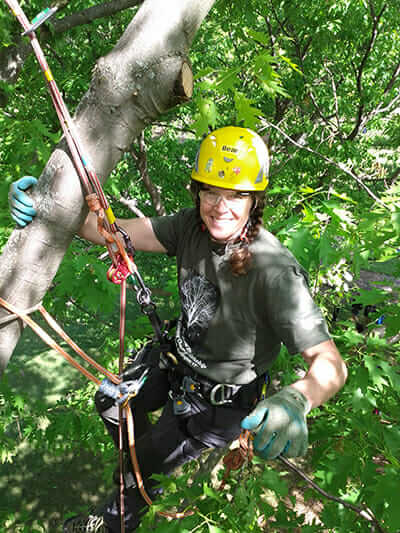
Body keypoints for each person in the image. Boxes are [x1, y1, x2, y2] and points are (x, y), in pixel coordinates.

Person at [9, 126, 347, 533]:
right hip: (175, 363)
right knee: (109, 402)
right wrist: (50, 204)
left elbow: (330, 364)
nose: (221, 206)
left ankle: (118, 515)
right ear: (198, 192)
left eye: (237, 195)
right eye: (211, 192)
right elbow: (109, 232)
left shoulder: (275, 272)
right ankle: (141, 457)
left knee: (145, 469)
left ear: (255, 200)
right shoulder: (191, 227)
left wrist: (298, 399)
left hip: (219, 403)